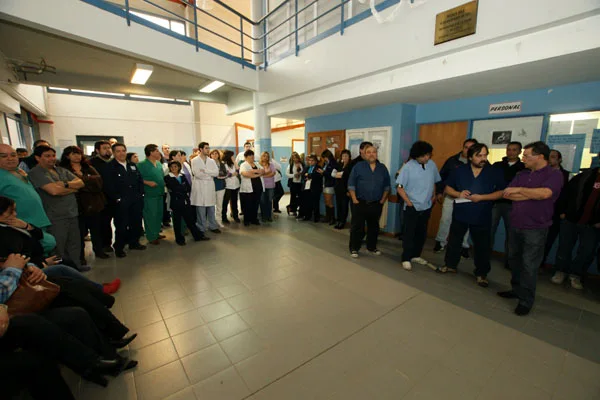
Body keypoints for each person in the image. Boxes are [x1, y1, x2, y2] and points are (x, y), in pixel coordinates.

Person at [497, 141, 564, 316]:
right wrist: (531, 194)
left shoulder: (554, 175)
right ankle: (516, 290)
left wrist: (521, 190)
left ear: (540, 157)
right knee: (513, 259)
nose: (522, 158)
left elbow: (545, 194)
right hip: (515, 224)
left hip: (536, 228)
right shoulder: (522, 173)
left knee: (529, 265)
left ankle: (525, 300)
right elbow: (509, 194)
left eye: (526, 155)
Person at [437, 143, 506, 287]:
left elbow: (501, 192)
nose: (483, 158)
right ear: (470, 157)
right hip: (461, 212)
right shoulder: (460, 170)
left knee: (482, 245)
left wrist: (482, 197)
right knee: (454, 240)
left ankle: (481, 273)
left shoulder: (493, 171)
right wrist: (458, 193)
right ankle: (450, 265)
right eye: (479, 155)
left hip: (481, 214)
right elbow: (448, 188)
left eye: (485, 155)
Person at [28, 145, 88, 271]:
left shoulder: (61, 170)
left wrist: (65, 184)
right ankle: (62, 270)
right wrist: (72, 189)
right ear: (38, 158)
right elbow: (54, 191)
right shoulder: (36, 173)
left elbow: (81, 183)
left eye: (53, 155)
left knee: (74, 243)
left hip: (72, 213)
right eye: (47, 156)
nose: (51, 159)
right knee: (58, 246)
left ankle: (76, 267)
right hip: (55, 216)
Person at [551, 164, 600, 290]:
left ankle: (576, 274)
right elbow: (565, 194)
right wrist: (562, 211)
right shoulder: (585, 176)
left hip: (592, 224)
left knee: (587, 251)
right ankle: (560, 271)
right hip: (571, 219)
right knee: (564, 247)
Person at [0, 144, 56, 253]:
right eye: (3, 156)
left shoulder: (19, 172)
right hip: (19, 223)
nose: (10, 158)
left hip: (37, 221)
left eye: (13, 155)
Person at [59, 146, 109, 263]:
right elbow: (64, 184)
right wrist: (85, 181)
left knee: (96, 229)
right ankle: (80, 256)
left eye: (78, 154)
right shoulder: (63, 169)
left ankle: (99, 250)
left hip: (93, 203)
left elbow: (98, 181)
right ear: (67, 156)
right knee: (79, 232)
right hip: (77, 204)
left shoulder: (88, 167)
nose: (77, 156)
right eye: (73, 154)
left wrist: (80, 182)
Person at [396, 141, 440, 270]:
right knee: (409, 233)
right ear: (416, 155)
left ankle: (416, 255)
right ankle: (406, 257)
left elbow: (434, 181)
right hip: (412, 206)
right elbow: (399, 187)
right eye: (424, 156)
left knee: (421, 232)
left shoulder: (431, 165)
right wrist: (409, 203)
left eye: (428, 155)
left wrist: (434, 195)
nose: (427, 158)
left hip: (426, 206)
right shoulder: (408, 167)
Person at [433, 138, 478, 257]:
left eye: (471, 148)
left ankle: (464, 246)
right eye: (466, 147)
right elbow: (442, 177)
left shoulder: (478, 162)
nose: (468, 150)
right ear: (463, 148)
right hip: (451, 195)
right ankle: (440, 242)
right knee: (445, 219)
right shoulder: (452, 161)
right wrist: (439, 192)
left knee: (465, 222)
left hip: (468, 198)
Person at [104, 143, 146, 258]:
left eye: (123, 150)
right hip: (121, 202)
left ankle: (134, 243)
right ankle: (119, 247)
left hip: (135, 200)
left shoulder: (132, 165)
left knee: (136, 223)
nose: (121, 153)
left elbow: (139, 180)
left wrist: (140, 194)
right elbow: (108, 185)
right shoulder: (110, 166)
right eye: (118, 151)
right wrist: (117, 198)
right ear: (113, 153)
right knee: (122, 226)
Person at [348, 146, 390, 258]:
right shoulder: (358, 167)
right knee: (357, 227)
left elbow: (387, 186)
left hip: (376, 203)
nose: (371, 154)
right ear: (364, 154)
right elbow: (351, 184)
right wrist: (354, 200)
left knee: (374, 227)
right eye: (369, 152)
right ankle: (354, 248)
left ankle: (371, 247)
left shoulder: (382, 168)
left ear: (377, 154)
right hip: (360, 202)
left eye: (374, 152)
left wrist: (382, 201)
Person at [491, 141, 525, 268]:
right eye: (509, 149)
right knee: (490, 230)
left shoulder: (523, 168)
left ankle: (510, 261)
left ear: (519, 152)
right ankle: (484, 255)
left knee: (512, 234)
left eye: (514, 150)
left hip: (513, 204)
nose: (511, 152)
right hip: (495, 202)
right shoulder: (497, 165)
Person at [164, 161, 209, 246]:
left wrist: (181, 188)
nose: (173, 168)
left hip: (185, 201)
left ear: (178, 167)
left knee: (190, 220)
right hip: (176, 202)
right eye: (172, 167)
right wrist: (182, 187)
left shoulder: (182, 176)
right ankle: (179, 239)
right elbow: (174, 188)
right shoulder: (167, 177)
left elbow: (188, 188)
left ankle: (197, 236)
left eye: (175, 167)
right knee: (177, 222)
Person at [540, 149, 571, 268]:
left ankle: (541, 264)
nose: (550, 159)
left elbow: (568, 195)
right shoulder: (540, 173)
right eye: (548, 156)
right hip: (540, 211)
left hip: (556, 213)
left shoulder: (566, 175)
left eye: (553, 157)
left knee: (549, 240)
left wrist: (563, 211)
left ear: (559, 160)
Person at [137, 144, 166, 245]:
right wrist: (147, 182)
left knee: (158, 214)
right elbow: (137, 178)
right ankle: (151, 236)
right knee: (151, 215)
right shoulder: (141, 165)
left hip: (159, 193)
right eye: (157, 151)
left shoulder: (158, 164)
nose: (159, 153)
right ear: (150, 152)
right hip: (149, 194)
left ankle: (156, 232)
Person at [90, 140, 114, 254]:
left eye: (109, 148)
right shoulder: (92, 164)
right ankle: (100, 248)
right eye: (104, 148)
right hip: (99, 198)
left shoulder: (113, 162)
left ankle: (107, 244)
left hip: (112, 198)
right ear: (97, 150)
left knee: (108, 223)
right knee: (99, 224)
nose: (108, 150)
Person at [191, 142, 221, 234]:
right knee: (201, 210)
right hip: (199, 187)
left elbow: (216, 173)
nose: (208, 150)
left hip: (209, 187)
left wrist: (205, 171)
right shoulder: (194, 160)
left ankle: (213, 226)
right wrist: (209, 175)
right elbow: (197, 174)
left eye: (208, 148)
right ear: (200, 149)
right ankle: (201, 227)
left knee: (211, 208)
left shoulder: (211, 161)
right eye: (206, 148)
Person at [239, 150, 265, 226]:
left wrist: (252, 171)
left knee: (256, 204)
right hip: (248, 189)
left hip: (258, 187)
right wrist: (257, 173)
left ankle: (254, 219)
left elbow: (263, 171)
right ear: (246, 157)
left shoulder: (257, 163)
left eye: (252, 155)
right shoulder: (243, 165)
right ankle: (247, 220)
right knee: (248, 205)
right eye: (250, 156)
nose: (252, 157)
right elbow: (245, 174)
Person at [298, 154, 324, 222]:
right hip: (307, 187)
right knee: (307, 202)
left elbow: (317, 176)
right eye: (310, 160)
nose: (311, 162)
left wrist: (309, 175)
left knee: (315, 203)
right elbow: (303, 174)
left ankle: (316, 217)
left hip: (315, 188)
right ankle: (307, 216)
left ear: (315, 161)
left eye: (312, 161)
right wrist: (307, 175)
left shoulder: (318, 168)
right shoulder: (307, 167)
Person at [333, 149, 351, 229]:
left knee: (344, 206)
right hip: (338, 189)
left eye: (346, 156)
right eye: (343, 156)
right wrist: (338, 174)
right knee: (339, 206)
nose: (344, 157)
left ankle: (342, 222)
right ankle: (338, 221)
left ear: (349, 157)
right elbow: (333, 174)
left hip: (345, 190)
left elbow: (348, 178)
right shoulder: (339, 164)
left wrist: (338, 174)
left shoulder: (350, 166)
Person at [222, 150, 241, 224]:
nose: (233, 157)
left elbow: (238, 170)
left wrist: (234, 161)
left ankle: (235, 216)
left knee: (234, 201)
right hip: (227, 186)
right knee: (225, 202)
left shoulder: (232, 163)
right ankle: (224, 217)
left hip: (235, 185)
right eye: (232, 156)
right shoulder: (223, 164)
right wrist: (234, 173)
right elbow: (227, 174)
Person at [210, 149, 227, 228]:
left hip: (221, 186)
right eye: (213, 154)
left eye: (216, 153)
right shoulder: (208, 163)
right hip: (211, 186)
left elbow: (225, 173)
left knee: (219, 205)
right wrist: (217, 174)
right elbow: (209, 173)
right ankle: (211, 222)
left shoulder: (222, 163)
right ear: (210, 155)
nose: (215, 155)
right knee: (211, 205)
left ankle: (219, 221)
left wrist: (218, 174)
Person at [321, 149, 338, 225]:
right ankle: (328, 217)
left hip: (330, 184)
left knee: (329, 201)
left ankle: (332, 218)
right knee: (326, 201)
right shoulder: (326, 163)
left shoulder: (333, 163)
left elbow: (332, 175)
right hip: (325, 184)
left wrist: (323, 172)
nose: (323, 159)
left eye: (324, 157)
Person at [259, 152, 277, 223]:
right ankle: (263, 217)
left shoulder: (271, 165)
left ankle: (269, 216)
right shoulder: (258, 165)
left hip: (270, 186)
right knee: (262, 201)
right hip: (262, 186)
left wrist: (263, 175)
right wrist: (267, 173)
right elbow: (258, 173)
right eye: (264, 156)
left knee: (269, 201)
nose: (265, 157)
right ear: (261, 157)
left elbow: (273, 173)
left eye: (267, 156)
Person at [286, 152, 304, 217]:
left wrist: (301, 174)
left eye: (296, 158)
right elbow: (287, 174)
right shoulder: (290, 165)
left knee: (300, 197)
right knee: (293, 197)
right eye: (294, 158)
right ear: (292, 159)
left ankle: (294, 208)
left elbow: (304, 172)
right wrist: (294, 175)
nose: (295, 159)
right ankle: (293, 210)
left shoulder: (302, 164)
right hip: (293, 183)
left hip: (300, 183)